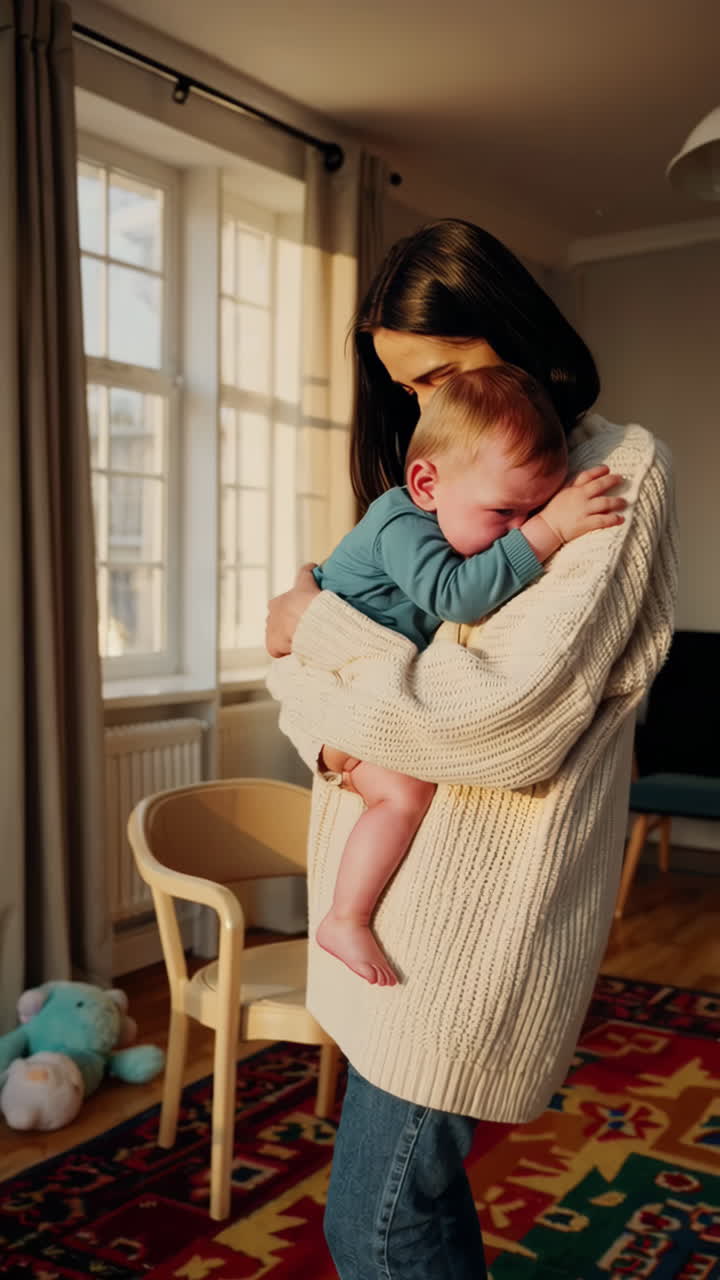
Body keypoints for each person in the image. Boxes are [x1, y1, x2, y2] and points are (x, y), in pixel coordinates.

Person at [266, 219, 677, 1280]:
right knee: (396, 1217)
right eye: (409, 388)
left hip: (463, 929)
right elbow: (303, 700)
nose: (427, 405)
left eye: (443, 370)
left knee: (379, 1225)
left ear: (511, 329)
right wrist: (333, 730)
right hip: (388, 904)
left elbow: (484, 723)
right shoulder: (450, 491)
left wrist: (310, 629)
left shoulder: (607, 479)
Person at [312, 364, 626, 987]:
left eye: (534, 508)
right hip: (331, 681)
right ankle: (344, 917)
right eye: (504, 511)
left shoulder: (448, 517)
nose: (517, 527)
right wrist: (550, 529)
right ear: (426, 484)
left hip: (361, 687)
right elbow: (455, 598)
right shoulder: (403, 523)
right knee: (404, 794)